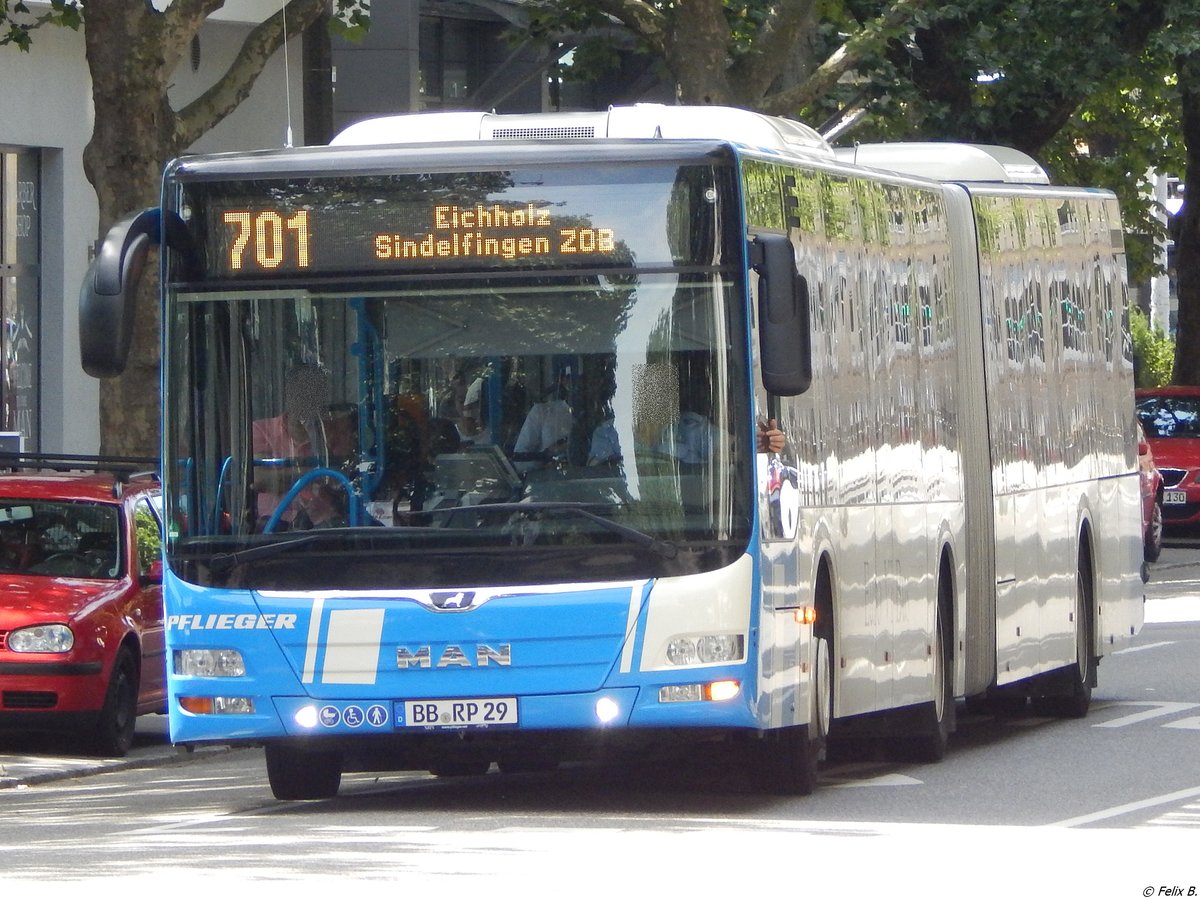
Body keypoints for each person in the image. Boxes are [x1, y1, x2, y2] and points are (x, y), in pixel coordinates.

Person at [252, 364, 340, 529]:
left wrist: (283, 477)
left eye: (314, 392)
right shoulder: (261, 429)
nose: (307, 398)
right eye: (301, 391)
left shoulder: (331, 432)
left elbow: (342, 477)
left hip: (325, 523)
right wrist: (318, 473)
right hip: (275, 523)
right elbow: (260, 479)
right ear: (289, 394)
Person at [513, 366, 573, 468]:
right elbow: (519, 462)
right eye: (571, 379)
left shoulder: (605, 421)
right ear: (564, 381)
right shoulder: (542, 412)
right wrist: (547, 457)